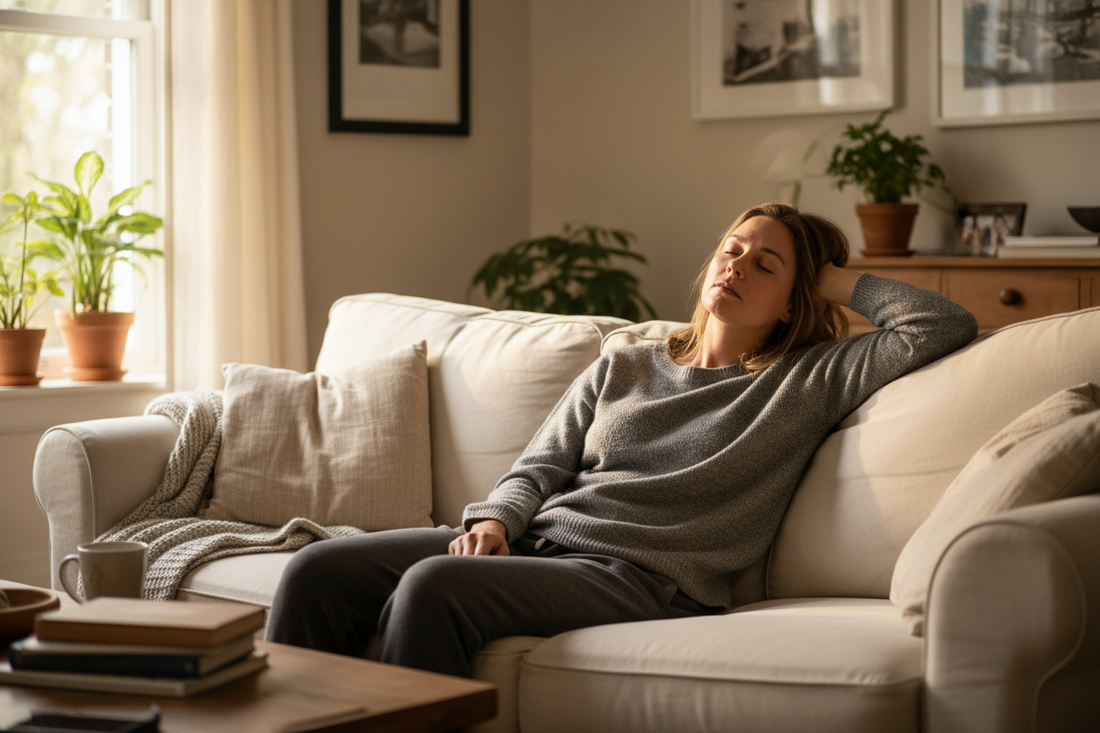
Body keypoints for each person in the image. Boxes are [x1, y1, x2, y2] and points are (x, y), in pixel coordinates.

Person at [267, 203, 978, 678]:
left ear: (798, 301)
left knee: (432, 588)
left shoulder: (809, 377)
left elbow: (941, 325)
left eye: (765, 264)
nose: (736, 265)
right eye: (731, 250)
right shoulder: (627, 361)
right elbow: (539, 464)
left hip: (643, 578)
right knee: (316, 571)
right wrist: (496, 520)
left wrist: (836, 277)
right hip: (539, 545)